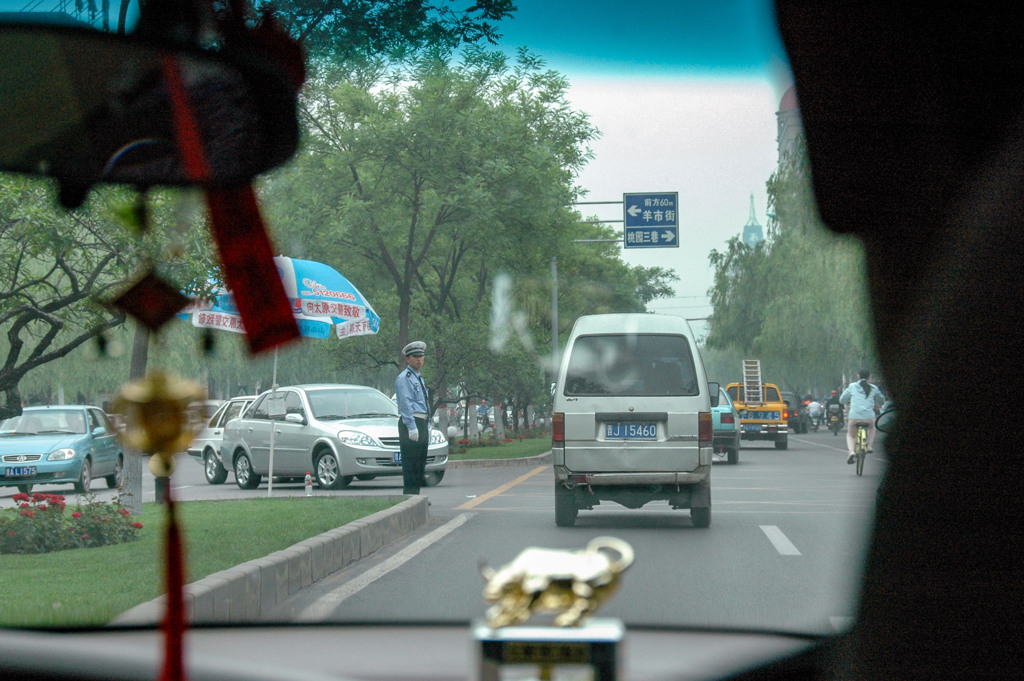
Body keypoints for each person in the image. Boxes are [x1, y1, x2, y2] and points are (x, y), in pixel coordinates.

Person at [395, 341, 429, 495]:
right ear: (407, 359)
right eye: (415, 356)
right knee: (411, 463)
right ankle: (409, 497)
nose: (419, 359)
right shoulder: (405, 378)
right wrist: (411, 426)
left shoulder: (418, 378)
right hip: (412, 422)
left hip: (421, 421)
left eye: (421, 356)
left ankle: (416, 497)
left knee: (419, 464)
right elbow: (405, 403)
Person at [839, 369, 886, 464]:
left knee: (851, 435)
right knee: (872, 427)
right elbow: (882, 401)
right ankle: (869, 446)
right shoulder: (874, 388)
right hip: (869, 417)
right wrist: (878, 403)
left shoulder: (852, 386)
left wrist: (847, 401)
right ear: (869, 377)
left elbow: (842, 400)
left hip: (854, 417)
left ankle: (851, 452)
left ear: (858, 376)